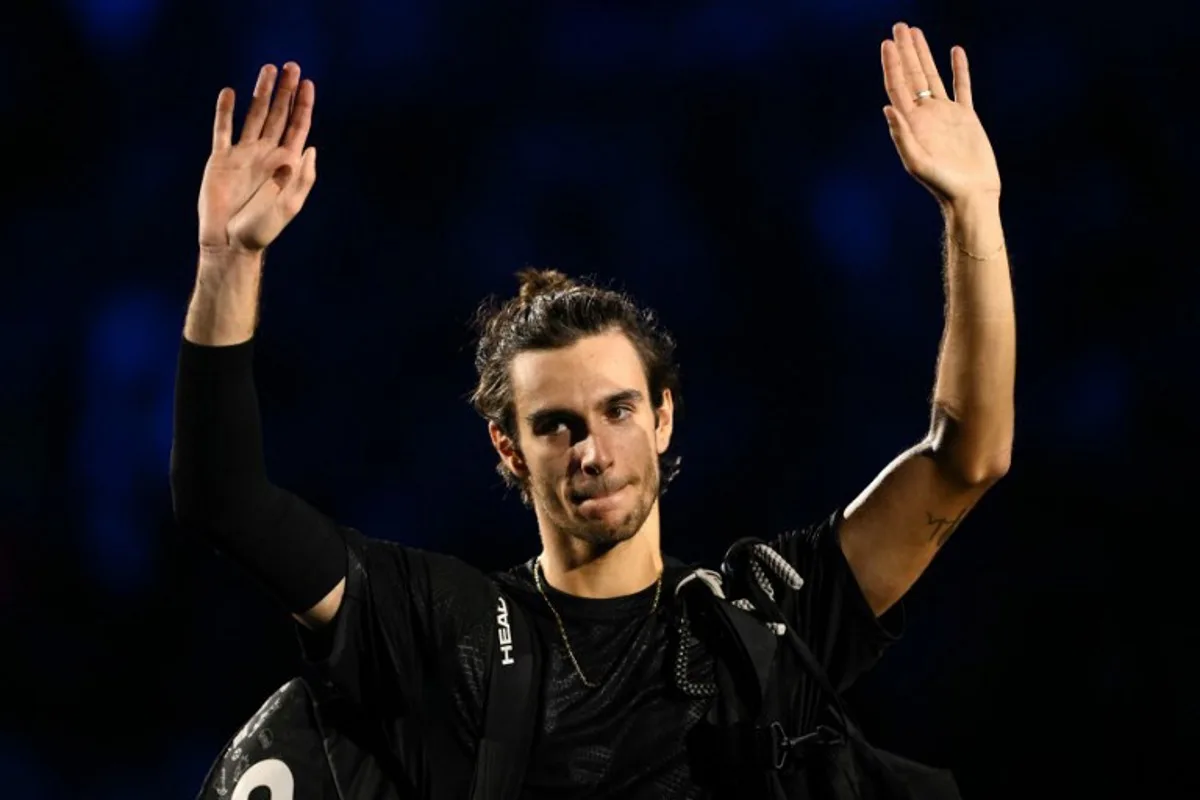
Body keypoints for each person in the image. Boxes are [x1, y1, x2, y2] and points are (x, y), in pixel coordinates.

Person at [172, 20, 1014, 800]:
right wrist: (228, 261)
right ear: (508, 449)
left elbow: (967, 458)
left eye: (617, 411)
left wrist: (973, 209)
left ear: (664, 418)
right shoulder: (443, 628)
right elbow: (226, 502)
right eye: (556, 425)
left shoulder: (767, 618)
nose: (593, 450)